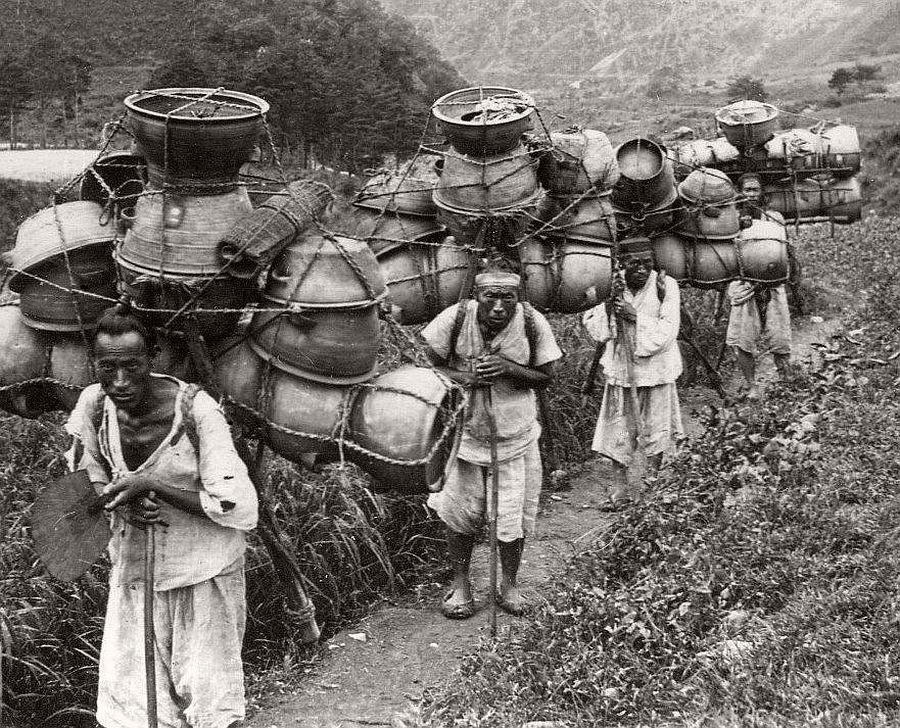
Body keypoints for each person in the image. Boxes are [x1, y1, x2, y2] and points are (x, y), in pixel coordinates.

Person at [64, 305, 258, 728]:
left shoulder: (197, 410)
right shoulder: (93, 406)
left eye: (131, 367)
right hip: (135, 572)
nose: (119, 381)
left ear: (153, 358)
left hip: (205, 569)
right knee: (130, 704)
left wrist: (153, 485)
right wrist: (123, 500)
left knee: (211, 701)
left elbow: (239, 505)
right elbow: (88, 479)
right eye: (108, 367)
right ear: (94, 363)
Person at [422, 268, 562, 619]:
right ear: (476, 296)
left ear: (518, 299)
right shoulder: (455, 318)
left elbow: (546, 377)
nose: (499, 307)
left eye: (508, 299)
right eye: (491, 297)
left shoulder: (532, 322)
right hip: (465, 438)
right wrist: (466, 378)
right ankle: (461, 584)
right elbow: (431, 367)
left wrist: (508, 368)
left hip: (515, 439)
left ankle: (509, 585)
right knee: (459, 516)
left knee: (511, 518)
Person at [582, 237, 683, 504]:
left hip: (657, 371)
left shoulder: (666, 286)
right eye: (634, 263)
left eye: (647, 263)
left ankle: (651, 481)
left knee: (657, 429)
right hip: (622, 372)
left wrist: (634, 317)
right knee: (618, 431)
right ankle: (620, 487)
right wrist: (608, 309)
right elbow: (597, 331)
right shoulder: (611, 286)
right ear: (621, 263)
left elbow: (668, 331)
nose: (641, 269)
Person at [727, 173, 793, 400]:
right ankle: (751, 384)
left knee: (779, 335)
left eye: (755, 190)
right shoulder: (731, 219)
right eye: (747, 190)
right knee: (744, 338)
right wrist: (737, 223)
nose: (751, 194)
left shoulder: (774, 217)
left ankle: (786, 379)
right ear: (739, 192)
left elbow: (784, 250)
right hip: (744, 284)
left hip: (772, 284)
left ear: (762, 192)